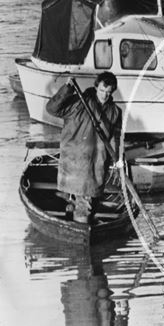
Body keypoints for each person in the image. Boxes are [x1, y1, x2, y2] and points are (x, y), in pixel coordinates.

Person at [46, 72, 122, 223]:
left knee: (89, 203)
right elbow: (52, 109)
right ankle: (79, 230)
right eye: (102, 91)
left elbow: (115, 138)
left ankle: (72, 218)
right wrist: (67, 89)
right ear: (95, 87)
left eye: (109, 92)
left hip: (96, 165)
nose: (105, 95)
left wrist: (117, 159)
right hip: (74, 163)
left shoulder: (115, 112)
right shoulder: (78, 103)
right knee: (84, 206)